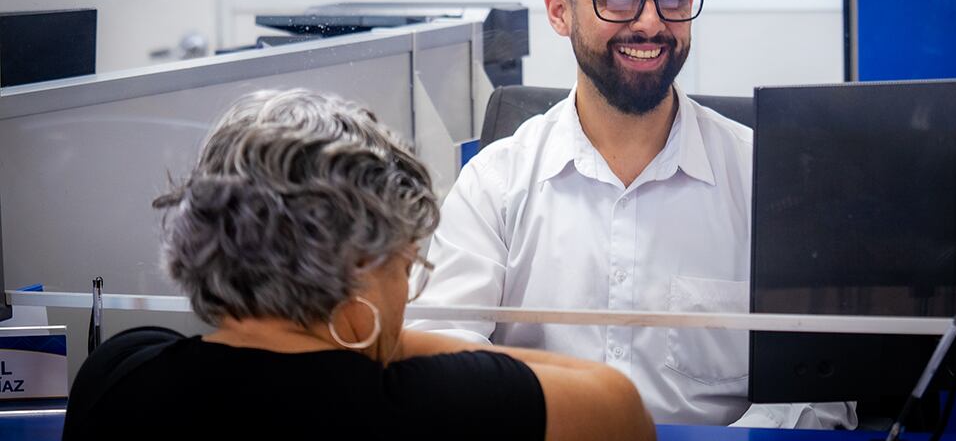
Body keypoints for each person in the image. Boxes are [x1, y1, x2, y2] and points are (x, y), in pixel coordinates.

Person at [408, 0, 857, 428]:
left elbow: (822, 387)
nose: (651, 23)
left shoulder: (765, 179)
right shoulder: (495, 184)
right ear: (559, 11)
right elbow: (443, 353)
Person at [63, 89, 655, 441]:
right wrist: (374, 335)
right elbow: (619, 407)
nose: (406, 286)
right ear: (363, 261)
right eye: (406, 265)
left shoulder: (119, 374)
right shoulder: (434, 406)